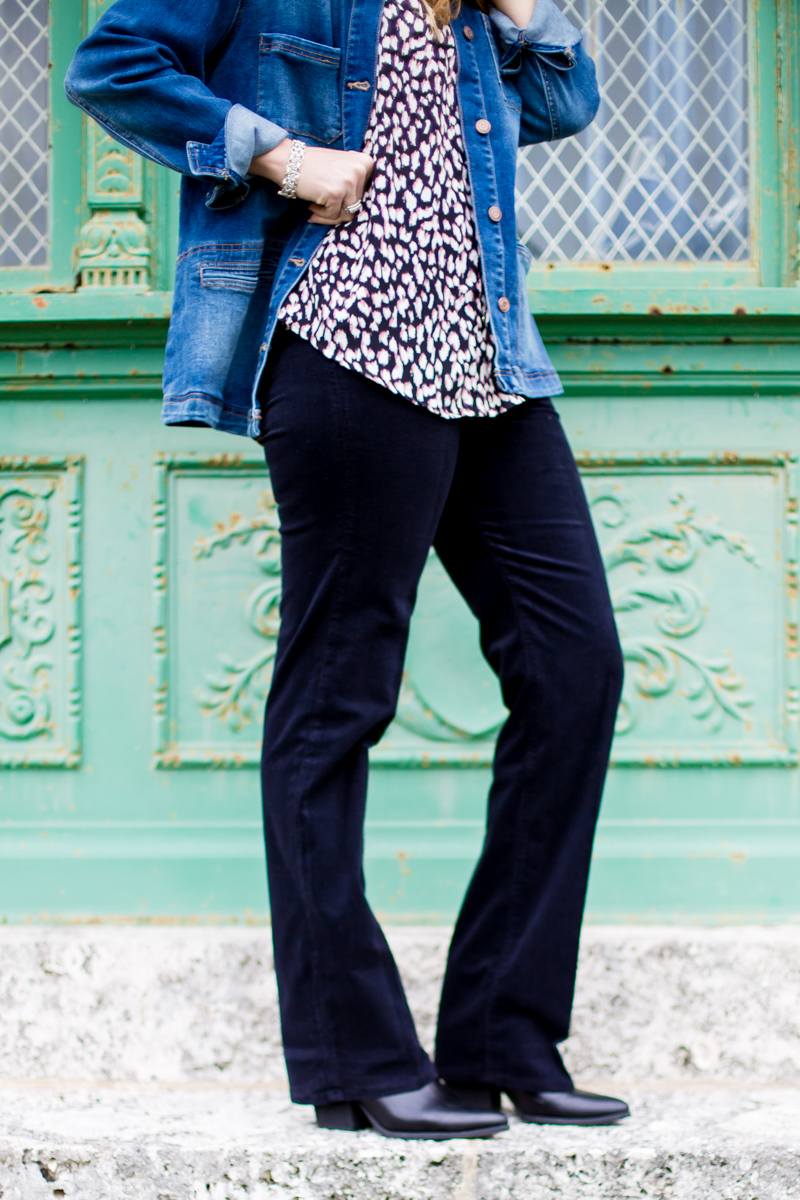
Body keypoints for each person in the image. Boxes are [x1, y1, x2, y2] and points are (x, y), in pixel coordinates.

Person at [66, 0, 628, 1140]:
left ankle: (500, 1038)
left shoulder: (470, 16)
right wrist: (278, 154)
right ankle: (353, 1058)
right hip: (346, 344)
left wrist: (521, 10)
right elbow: (111, 64)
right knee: (337, 698)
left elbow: (565, 102)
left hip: (488, 364)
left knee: (576, 671)